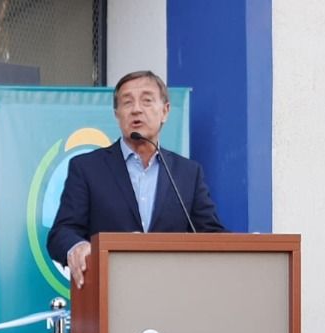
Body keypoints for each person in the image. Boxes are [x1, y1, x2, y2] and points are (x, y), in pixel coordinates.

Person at [46, 70, 224, 288]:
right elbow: (61, 234)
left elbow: (212, 236)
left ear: (165, 111)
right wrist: (78, 247)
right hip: (108, 293)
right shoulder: (87, 168)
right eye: (127, 102)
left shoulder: (187, 173)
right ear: (117, 114)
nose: (136, 109)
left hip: (174, 294)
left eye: (147, 101)